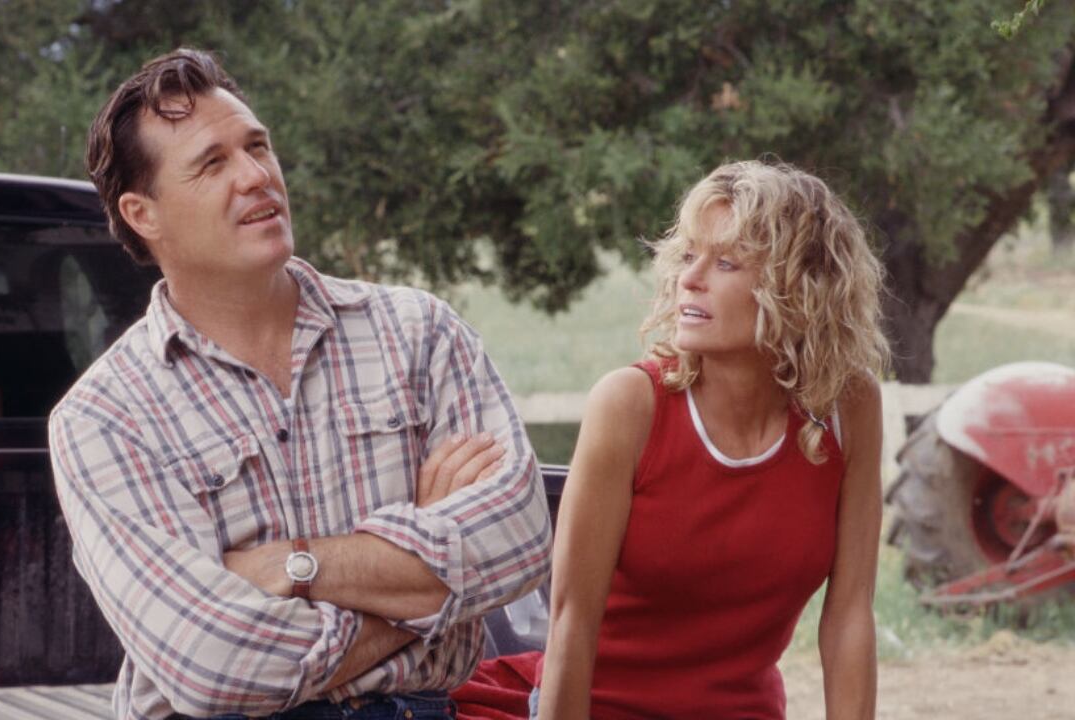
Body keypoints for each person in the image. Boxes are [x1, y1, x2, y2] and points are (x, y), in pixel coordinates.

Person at [48, 48, 552, 720]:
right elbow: (217, 664)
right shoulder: (106, 417)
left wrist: (293, 565)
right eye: (213, 163)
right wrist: (430, 587)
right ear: (144, 214)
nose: (256, 175)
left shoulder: (418, 333)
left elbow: (518, 539)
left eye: (258, 147)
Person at [533, 160, 888, 719]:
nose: (690, 278)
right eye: (688, 256)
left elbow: (849, 615)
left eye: (725, 262)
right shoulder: (629, 405)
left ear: (799, 288)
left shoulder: (849, 406)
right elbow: (570, 624)